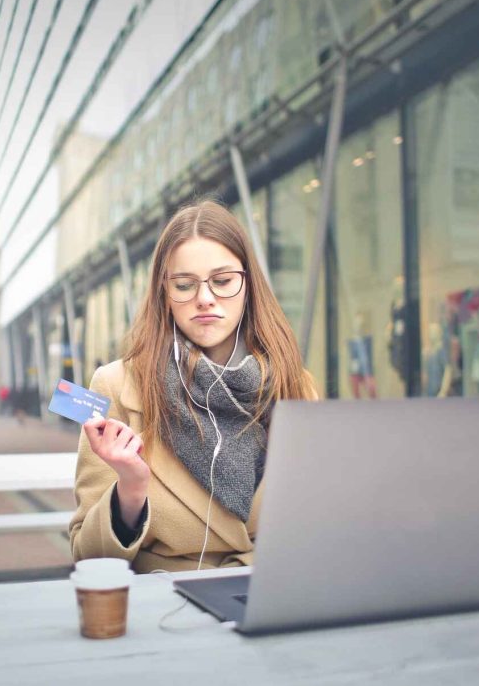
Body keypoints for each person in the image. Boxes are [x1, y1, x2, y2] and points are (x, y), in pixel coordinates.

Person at [69, 200, 316, 573]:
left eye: (223, 281)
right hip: (168, 605)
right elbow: (87, 555)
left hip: (273, 592)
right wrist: (130, 490)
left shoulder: (295, 385)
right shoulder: (114, 385)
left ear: (249, 285)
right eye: (184, 285)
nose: (205, 298)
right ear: (164, 295)